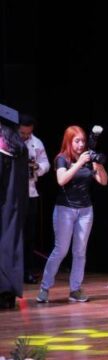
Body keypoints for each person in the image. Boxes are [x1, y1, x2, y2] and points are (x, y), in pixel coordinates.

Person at [37, 126, 108, 304]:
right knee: (60, 250)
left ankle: (75, 289)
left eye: (83, 141)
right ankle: (45, 288)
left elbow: (103, 181)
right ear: (69, 141)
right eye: (77, 141)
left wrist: (97, 164)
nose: (81, 144)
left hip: (85, 210)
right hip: (65, 210)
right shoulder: (62, 159)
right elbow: (61, 180)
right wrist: (77, 164)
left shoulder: (87, 158)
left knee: (80, 251)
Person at [0, 118, 28, 309]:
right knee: (10, 246)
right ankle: (8, 295)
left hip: (4, 201)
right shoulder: (20, 146)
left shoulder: (1, 145)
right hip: (15, 205)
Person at [18, 115, 49, 283]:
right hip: (13, 195)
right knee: (14, 235)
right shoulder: (7, 141)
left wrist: (38, 167)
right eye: (22, 133)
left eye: (27, 133)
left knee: (29, 236)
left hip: (31, 193)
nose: (24, 136)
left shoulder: (37, 143)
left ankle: (27, 271)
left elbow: (46, 164)